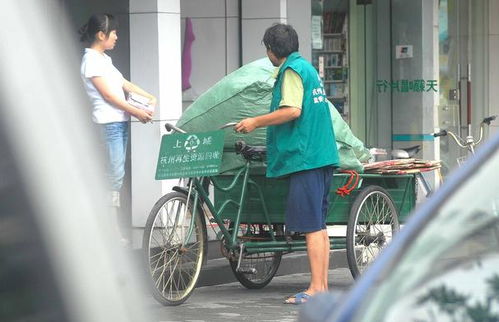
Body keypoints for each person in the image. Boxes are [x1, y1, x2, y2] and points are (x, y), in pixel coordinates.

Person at [235, 23, 339, 304]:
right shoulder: (307, 68)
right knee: (318, 225)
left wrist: (255, 121)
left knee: (312, 227)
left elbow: (292, 110)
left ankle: (316, 290)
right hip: (321, 155)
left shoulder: (292, 71)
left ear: (271, 50)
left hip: (306, 158)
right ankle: (322, 287)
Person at [79, 14, 156, 242]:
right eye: (113, 33)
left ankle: (108, 228)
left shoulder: (103, 59)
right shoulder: (91, 61)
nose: (116, 37)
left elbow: (123, 84)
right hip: (108, 124)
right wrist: (137, 111)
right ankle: (109, 230)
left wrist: (148, 96)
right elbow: (109, 95)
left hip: (117, 123)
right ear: (101, 35)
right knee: (113, 177)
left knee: (116, 176)